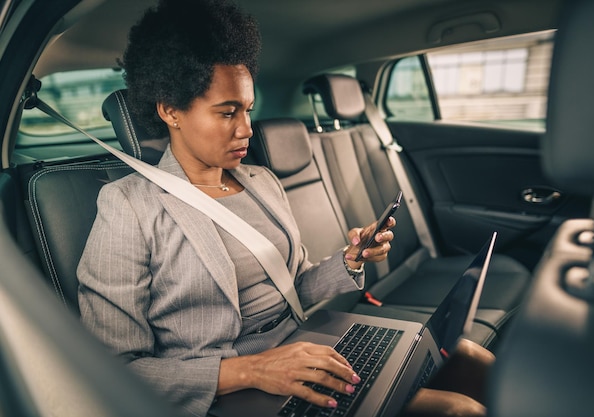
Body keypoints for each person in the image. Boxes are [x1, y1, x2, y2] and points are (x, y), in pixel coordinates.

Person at [77, 1, 492, 416]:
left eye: (248, 109)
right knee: (459, 411)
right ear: (170, 111)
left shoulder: (262, 183)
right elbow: (112, 369)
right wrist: (251, 370)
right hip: (227, 391)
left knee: (473, 357)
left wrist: (348, 261)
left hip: (305, 346)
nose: (246, 129)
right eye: (227, 112)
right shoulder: (129, 206)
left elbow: (296, 286)